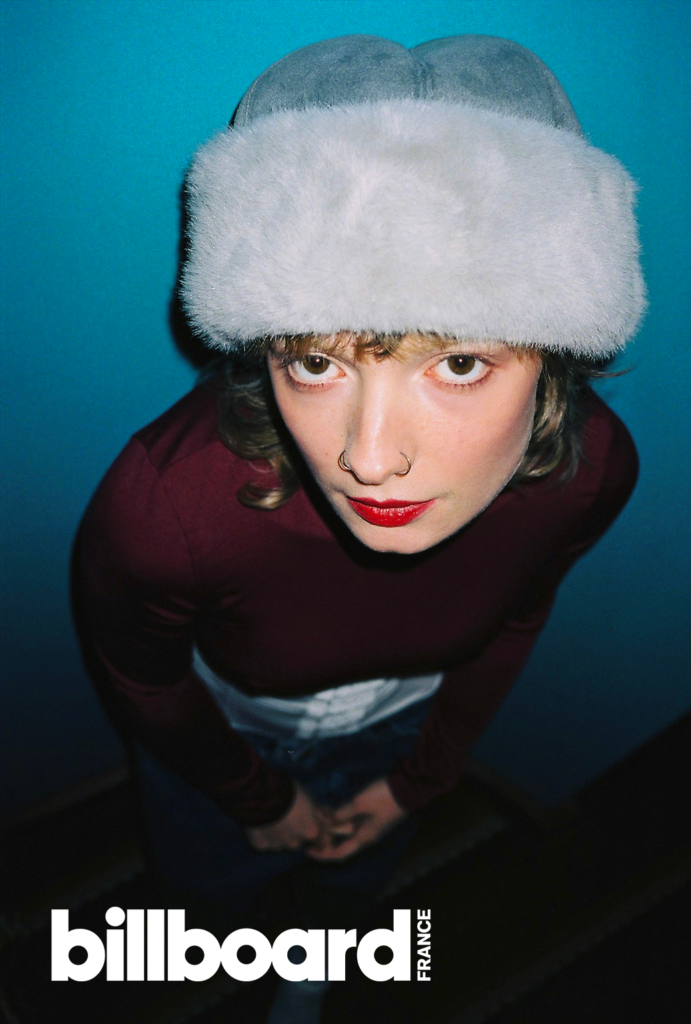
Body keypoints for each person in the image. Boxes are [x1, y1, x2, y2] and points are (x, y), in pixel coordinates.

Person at [74, 34, 644, 1023]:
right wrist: (258, 798)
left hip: (401, 735)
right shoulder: (169, 507)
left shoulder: (587, 474)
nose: (370, 457)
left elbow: (518, 614)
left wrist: (419, 780)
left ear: (555, 355)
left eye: (457, 363)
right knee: (206, 900)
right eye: (315, 363)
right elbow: (144, 676)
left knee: (351, 894)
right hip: (221, 743)